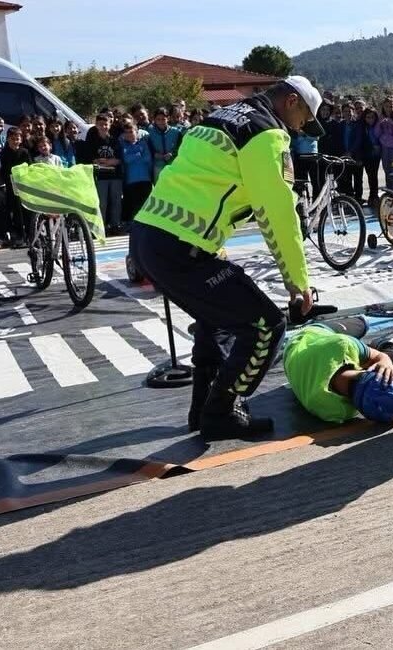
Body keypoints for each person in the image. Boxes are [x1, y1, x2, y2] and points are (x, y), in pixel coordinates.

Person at [130, 76, 321, 439]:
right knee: (265, 325)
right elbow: (278, 213)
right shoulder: (265, 133)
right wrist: (298, 282)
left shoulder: (217, 119)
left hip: (148, 236)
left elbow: (200, 182)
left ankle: (203, 409)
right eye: (304, 119)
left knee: (215, 320)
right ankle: (221, 412)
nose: (300, 129)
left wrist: (215, 248)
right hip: (179, 246)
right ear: (292, 101)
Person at [283, 318, 393, 424]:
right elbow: (370, 393)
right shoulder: (334, 410)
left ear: (367, 370)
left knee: (363, 324)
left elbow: (372, 391)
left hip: (306, 337)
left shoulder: (341, 346)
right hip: (307, 350)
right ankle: (385, 345)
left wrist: (384, 360)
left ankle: (382, 345)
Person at [81, 113, 124, 235]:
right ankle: (101, 226)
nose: (103, 127)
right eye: (100, 124)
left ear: (109, 125)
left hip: (115, 176)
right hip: (100, 176)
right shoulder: (92, 140)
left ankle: (115, 225)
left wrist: (109, 161)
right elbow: (92, 158)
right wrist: (105, 162)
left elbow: (119, 159)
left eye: (106, 124)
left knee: (116, 201)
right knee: (102, 203)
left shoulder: (115, 140)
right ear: (96, 125)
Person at [0, 127, 33, 247]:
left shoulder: (24, 152)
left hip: (24, 186)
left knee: (27, 212)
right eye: (12, 139)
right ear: (7, 139)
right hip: (10, 186)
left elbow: (30, 167)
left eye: (17, 139)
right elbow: (2, 170)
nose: (15, 141)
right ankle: (18, 236)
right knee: (16, 213)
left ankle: (30, 236)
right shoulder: (3, 153)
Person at [119, 119, 153, 224]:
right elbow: (126, 159)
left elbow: (148, 158)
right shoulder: (123, 145)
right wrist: (138, 154)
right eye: (126, 132)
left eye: (131, 131)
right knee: (134, 205)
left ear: (136, 131)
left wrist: (134, 156)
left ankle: (147, 224)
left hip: (145, 179)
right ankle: (134, 226)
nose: (129, 134)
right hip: (131, 180)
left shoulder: (143, 143)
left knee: (146, 204)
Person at [147, 108, 181, 181]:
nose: (161, 122)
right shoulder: (150, 131)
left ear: (168, 118)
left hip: (172, 164)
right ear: (155, 120)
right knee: (159, 186)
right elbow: (148, 147)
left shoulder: (175, 132)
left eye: (163, 119)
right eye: (158, 119)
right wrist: (154, 154)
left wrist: (172, 153)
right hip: (157, 165)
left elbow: (179, 147)